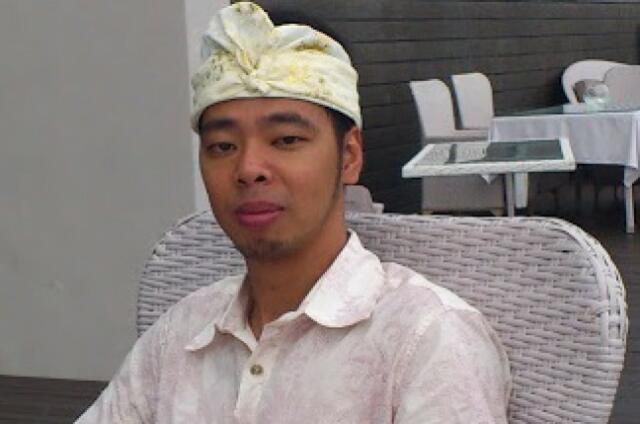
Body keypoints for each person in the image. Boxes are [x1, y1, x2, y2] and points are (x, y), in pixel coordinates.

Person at [77, 2, 510, 423]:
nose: (248, 169)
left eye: (286, 140)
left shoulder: (424, 340)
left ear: (349, 156)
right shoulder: (180, 335)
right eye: (222, 146)